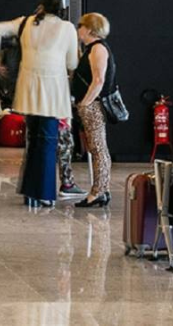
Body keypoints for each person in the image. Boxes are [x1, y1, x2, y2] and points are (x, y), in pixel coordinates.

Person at [0, 0, 78, 208]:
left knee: (33, 141)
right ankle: (44, 193)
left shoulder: (25, 22)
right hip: (52, 89)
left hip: (28, 87)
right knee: (48, 141)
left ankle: (30, 191)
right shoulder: (66, 28)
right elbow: (72, 62)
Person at [72, 13, 115, 208]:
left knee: (97, 148)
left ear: (90, 28)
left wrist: (85, 103)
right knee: (97, 148)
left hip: (94, 106)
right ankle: (101, 188)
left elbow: (99, 80)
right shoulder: (91, 49)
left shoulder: (98, 49)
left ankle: (98, 191)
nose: (78, 29)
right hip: (91, 105)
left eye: (81, 25)